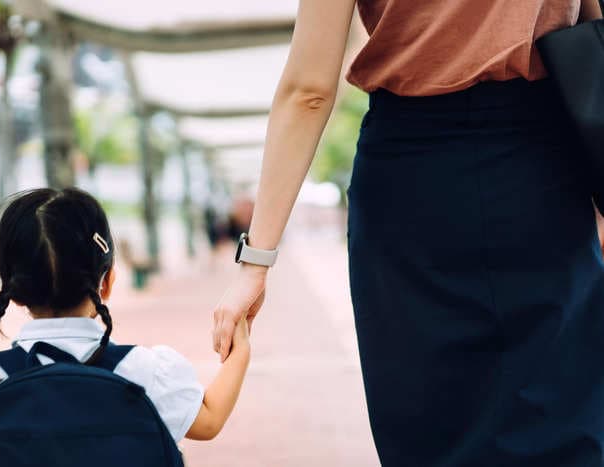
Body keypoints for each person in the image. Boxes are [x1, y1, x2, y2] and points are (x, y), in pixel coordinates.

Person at [212, 0, 604, 465]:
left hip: (410, 181)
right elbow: (591, 30)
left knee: (431, 424)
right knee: (561, 408)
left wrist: (255, 265)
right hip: (538, 169)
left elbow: (309, 91)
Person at [0, 188, 250, 467]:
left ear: (14, 293)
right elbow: (209, 419)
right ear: (107, 283)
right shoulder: (142, 374)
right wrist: (241, 349)